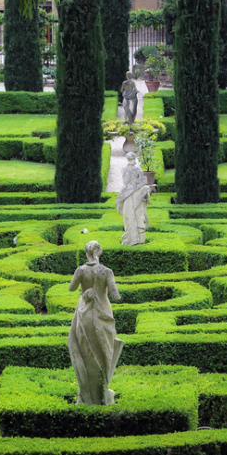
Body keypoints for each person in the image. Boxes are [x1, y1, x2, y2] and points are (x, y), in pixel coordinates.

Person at [67, 241, 123, 406]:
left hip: (84, 315)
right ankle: (103, 393)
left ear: (87, 253)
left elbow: (71, 288)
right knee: (105, 354)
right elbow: (116, 295)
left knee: (86, 355)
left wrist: (85, 291)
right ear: (99, 252)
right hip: (103, 316)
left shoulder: (81, 270)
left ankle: (86, 396)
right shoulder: (106, 272)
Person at [115, 152, 151, 245]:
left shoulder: (124, 170)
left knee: (130, 217)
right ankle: (138, 240)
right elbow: (142, 183)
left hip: (128, 195)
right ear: (134, 159)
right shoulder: (138, 170)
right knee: (136, 216)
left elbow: (125, 182)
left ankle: (133, 239)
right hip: (136, 195)